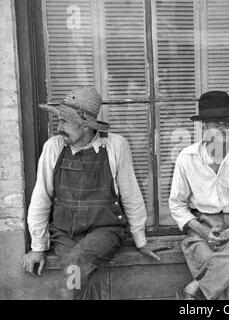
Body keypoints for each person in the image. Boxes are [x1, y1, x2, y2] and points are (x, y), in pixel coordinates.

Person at [20, 86, 171, 299]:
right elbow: (41, 196)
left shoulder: (115, 145)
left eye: (65, 121)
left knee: (75, 264)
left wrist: (141, 240)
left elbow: (131, 194)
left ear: (85, 125)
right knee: (81, 271)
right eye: (59, 120)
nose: (59, 126)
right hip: (65, 232)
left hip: (106, 229)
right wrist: (37, 246)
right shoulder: (52, 147)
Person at [169, 90, 229, 300]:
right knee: (216, 267)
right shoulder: (187, 158)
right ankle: (202, 285)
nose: (222, 129)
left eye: (226, 123)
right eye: (215, 123)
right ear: (204, 126)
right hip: (203, 228)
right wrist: (205, 233)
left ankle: (196, 286)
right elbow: (177, 204)